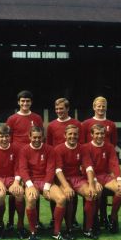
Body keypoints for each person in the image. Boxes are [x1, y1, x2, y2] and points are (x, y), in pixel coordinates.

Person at [18, 126, 69, 240]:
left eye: (39, 137)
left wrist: (46, 187)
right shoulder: (24, 150)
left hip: (46, 180)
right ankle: (33, 232)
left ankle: (56, 232)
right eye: (34, 137)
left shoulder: (50, 149)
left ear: (43, 137)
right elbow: (23, 169)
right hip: (32, 182)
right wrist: (30, 186)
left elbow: (51, 169)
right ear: (29, 137)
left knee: (61, 199)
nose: (36, 140)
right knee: (30, 199)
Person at [6, 90, 44, 231]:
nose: (25, 103)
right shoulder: (12, 119)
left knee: (33, 188)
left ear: (31, 102)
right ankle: (11, 221)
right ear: (18, 102)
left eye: (27, 101)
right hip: (16, 157)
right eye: (22, 101)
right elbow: (8, 138)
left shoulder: (37, 118)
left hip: (32, 157)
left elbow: (40, 136)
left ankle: (36, 220)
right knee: (16, 189)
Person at [54, 125, 100, 240]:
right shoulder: (58, 149)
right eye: (70, 134)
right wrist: (66, 186)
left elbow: (89, 167)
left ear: (78, 135)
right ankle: (69, 229)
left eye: (75, 134)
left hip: (77, 178)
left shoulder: (83, 148)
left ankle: (87, 229)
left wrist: (91, 185)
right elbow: (58, 170)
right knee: (68, 195)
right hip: (64, 178)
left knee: (91, 194)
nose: (72, 136)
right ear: (65, 135)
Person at [82, 124, 121, 233]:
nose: (99, 136)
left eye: (102, 133)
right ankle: (95, 219)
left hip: (105, 176)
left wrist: (119, 180)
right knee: (97, 191)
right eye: (97, 133)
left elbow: (114, 164)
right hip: (90, 176)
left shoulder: (109, 147)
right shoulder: (85, 147)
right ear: (92, 134)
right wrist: (94, 181)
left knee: (120, 190)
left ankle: (113, 216)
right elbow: (87, 166)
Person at [46, 97, 83, 229]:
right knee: (56, 191)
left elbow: (81, 144)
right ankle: (54, 218)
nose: (58, 111)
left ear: (67, 108)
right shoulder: (51, 125)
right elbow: (49, 146)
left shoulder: (77, 124)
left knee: (73, 192)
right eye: (56, 109)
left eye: (61, 108)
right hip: (57, 165)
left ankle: (72, 219)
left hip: (73, 164)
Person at [81, 96, 118, 227]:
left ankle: (106, 217)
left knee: (108, 190)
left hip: (105, 166)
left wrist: (113, 172)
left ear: (106, 107)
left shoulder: (111, 124)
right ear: (94, 107)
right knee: (97, 191)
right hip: (90, 166)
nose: (101, 108)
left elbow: (112, 145)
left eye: (103, 106)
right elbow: (83, 145)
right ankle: (94, 218)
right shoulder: (85, 124)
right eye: (98, 106)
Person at [0, 124, 26, 239]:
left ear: (10, 137)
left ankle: (20, 225)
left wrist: (17, 182)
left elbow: (19, 168)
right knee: (1, 194)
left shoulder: (17, 149)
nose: (4, 139)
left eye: (7, 136)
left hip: (12, 179)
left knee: (19, 193)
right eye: (1, 136)